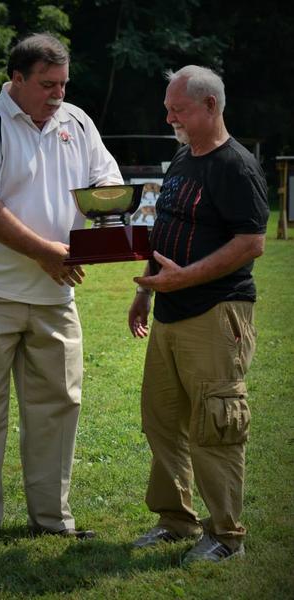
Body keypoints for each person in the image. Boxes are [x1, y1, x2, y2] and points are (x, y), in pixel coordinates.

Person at [0, 32, 123, 546]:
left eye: (63, 84)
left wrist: (113, 215)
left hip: (55, 294)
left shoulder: (78, 121)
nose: (57, 94)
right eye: (47, 84)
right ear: (16, 79)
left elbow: (103, 183)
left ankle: (52, 519)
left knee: (59, 405)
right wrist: (48, 251)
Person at [128, 65, 269, 565]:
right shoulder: (184, 157)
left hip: (216, 313)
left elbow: (251, 242)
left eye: (178, 109)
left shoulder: (236, 166)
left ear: (211, 106)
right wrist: (147, 291)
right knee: (163, 420)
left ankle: (226, 537)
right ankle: (175, 522)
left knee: (216, 423)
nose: (169, 117)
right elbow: (166, 226)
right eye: (168, 108)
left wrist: (184, 279)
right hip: (168, 310)